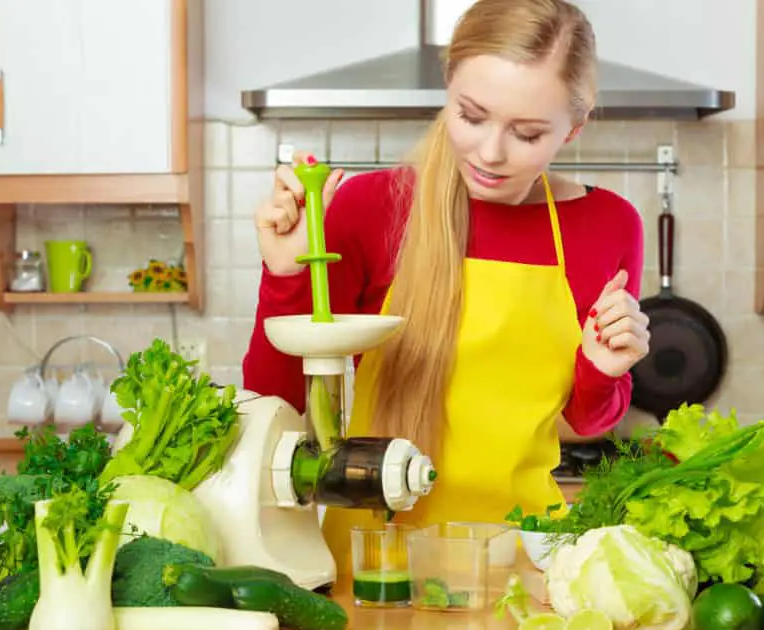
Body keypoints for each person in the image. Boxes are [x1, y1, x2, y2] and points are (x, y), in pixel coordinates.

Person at [243, 0, 650, 575]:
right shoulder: (369, 209)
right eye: (472, 115)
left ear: (573, 129)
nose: (490, 152)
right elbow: (274, 406)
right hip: (375, 564)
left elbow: (590, 421)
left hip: (526, 560)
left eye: (528, 133)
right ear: (449, 88)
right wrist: (285, 279)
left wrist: (605, 369)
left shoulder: (608, 225)